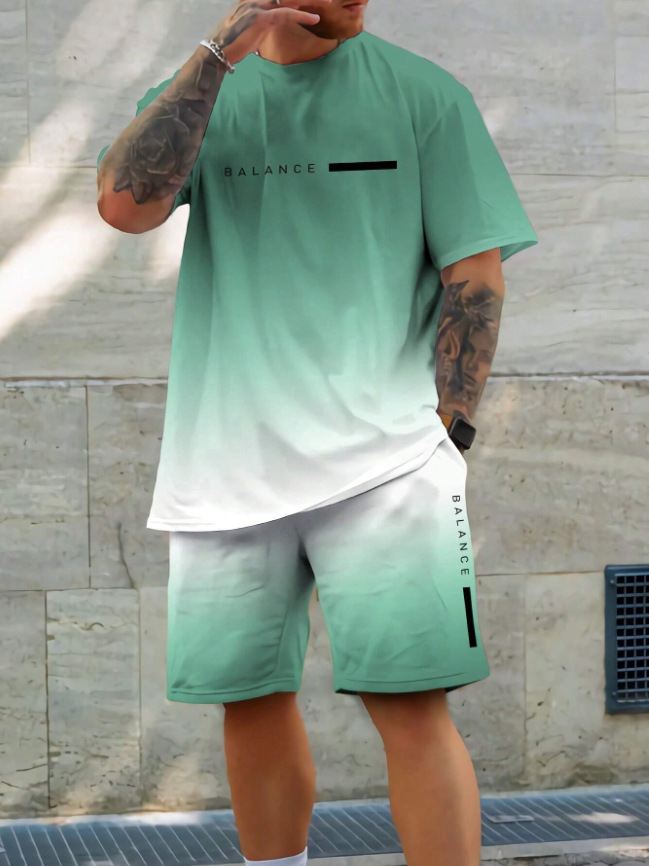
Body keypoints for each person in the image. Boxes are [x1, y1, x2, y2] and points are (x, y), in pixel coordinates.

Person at [96, 2, 539, 865]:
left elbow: (474, 273)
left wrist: (450, 429)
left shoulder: (424, 95)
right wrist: (220, 52)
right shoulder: (202, 90)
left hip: (388, 468)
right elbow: (124, 207)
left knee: (412, 707)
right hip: (225, 467)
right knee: (249, 702)